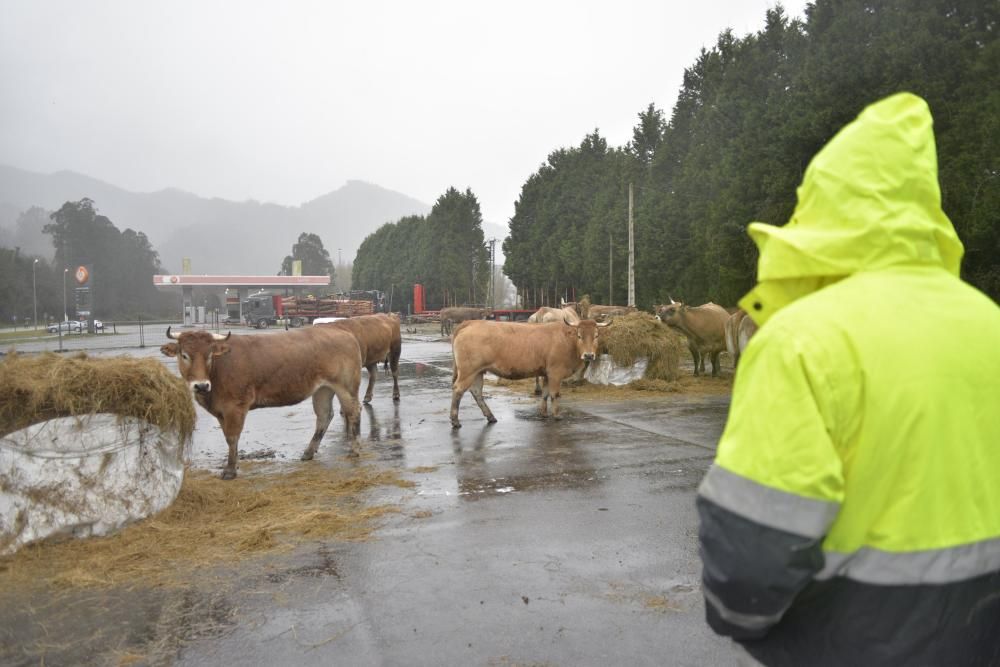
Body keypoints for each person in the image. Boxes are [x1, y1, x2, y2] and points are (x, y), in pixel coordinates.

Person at [696, 92, 1000, 666]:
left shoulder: (802, 340)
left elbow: (750, 554)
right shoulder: (989, 323)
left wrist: (757, 632)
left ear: (819, 207)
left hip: (851, 645)